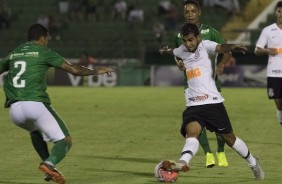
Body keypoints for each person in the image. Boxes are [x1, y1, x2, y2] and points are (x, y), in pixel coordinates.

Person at [0, 24, 113, 184]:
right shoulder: (44, 52)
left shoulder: (14, 53)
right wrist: (96, 71)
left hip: (14, 111)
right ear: (42, 38)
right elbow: (74, 70)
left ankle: (49, 169)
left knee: (35, 131)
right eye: (47, 39)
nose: (47, 42)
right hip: (34, 104)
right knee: (65, 140)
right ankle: (48, 164)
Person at [157, 23, 264, 181]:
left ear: (198, 38)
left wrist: (233, 46)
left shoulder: (206, 46)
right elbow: (172, 52)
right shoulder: (182, 50)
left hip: (213, 104)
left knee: (230, 140)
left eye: (191, 40)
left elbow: (221, 48)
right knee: (191, 133)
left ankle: (253, 163)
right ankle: (182, 162)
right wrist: (164, 50)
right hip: (193, 105)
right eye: (185, 40)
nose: (188, 43)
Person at [175, 0, 232, 168]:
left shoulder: (210, 32)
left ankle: (220, 151)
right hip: (190, 84)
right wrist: (178, 62)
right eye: (187, 11)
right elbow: (178, 55)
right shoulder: (180, 35)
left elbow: (226, 50)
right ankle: (208, 153)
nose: (190, 14)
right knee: (195, 120)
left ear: (199, 12)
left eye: (193, 11)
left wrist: (221, 64)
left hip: (210, 83)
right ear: (184, 13)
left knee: (219, 120)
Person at [255, 1, 282, 127]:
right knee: (278, 102)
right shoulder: (268, 30)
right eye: (279, 11)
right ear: (275, 12)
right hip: (274, 72)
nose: (281, 14)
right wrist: (267, 50)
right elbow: (257, 50)